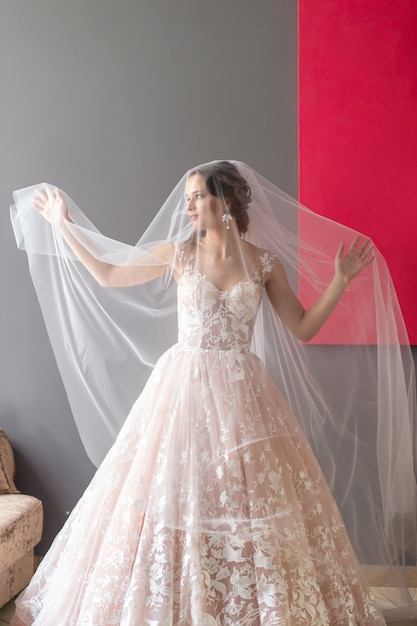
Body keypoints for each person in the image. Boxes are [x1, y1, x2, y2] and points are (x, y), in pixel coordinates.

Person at [9, 161, 417, 624]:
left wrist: (340, 280)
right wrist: (63, 224)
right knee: (177, 495)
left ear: (226, 203)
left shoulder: (264, 263)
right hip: (182, 391)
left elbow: (303, 327)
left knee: (247, 502)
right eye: (187, 197)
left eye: (197, 196)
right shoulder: (180, 254)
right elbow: (107, 274)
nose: (187, 206)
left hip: (245, 398)